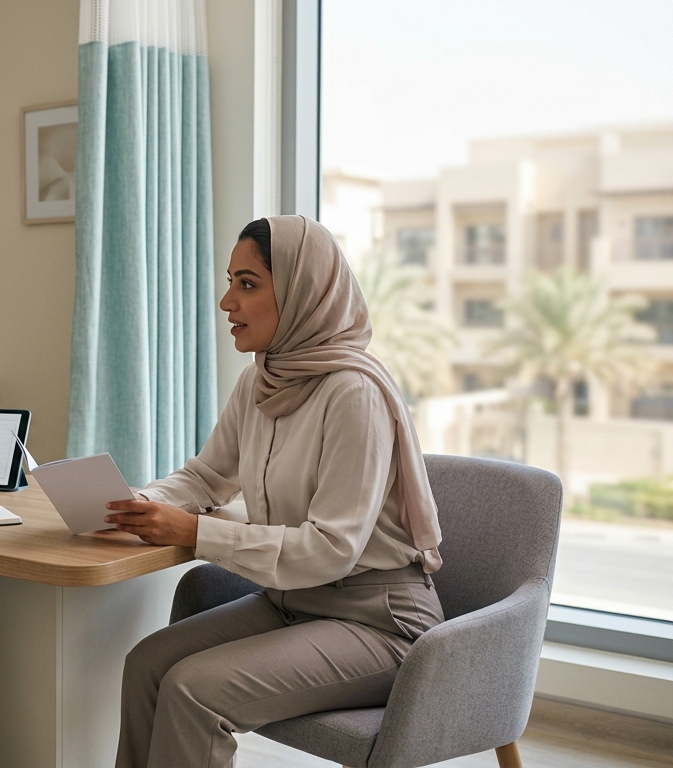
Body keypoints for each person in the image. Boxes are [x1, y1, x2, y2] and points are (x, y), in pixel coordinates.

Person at [106, 215, 446, 768]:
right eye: (229, 281)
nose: (226, 302)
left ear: (301, 291)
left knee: (194, 690)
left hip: (379, 621)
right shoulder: (261, 379)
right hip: (290, 602)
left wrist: (196, 533)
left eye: (247, 284)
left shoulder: (353, 393)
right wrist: (145, 503)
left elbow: (333, 548)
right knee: (147, 664)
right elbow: (207, 477)